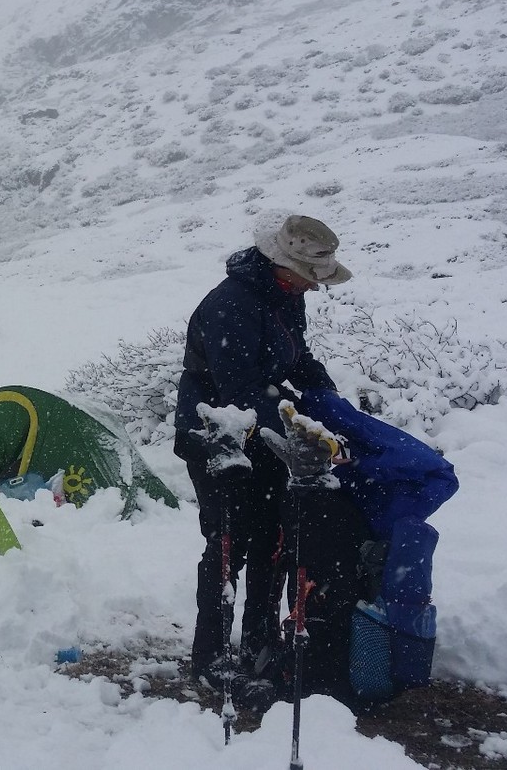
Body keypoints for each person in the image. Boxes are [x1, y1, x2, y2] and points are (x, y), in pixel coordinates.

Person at [172, 215, 352, 690]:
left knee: (273, 541)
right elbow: (241, 389)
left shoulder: (285, 296)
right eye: (309, 277)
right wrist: (300, 429)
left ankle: (259, 642)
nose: (313, 287)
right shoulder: (230, 306)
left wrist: (330, 403)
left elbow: (298, 358)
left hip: (266, 434)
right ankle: (211, 654)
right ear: (280, 264)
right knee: (229, 545)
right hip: (216, 433)